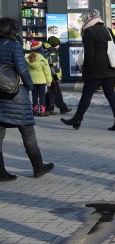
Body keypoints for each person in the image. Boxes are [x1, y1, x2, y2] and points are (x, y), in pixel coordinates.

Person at [0, 17, 54, 181]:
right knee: (27, 130)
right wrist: (30, 86)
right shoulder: (14, 45)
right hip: (15, 95)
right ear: (12, 30)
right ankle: (38, 167)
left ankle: (1, 172)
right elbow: (22, 69)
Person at [60, 9, 115, 131]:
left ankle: (77, 120)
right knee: (111, 95)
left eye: (83, 19)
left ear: (88, 18)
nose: (83, 21)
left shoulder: (89, 32)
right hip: (110, 69)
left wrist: (85, 70)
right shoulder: (107, 30)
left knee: (86, 95)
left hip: (95, 71)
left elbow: (90, 55)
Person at [43, 36, 72, 116]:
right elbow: (53, 67)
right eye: (58, 44)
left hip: (51, 77)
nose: (59, 46)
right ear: (55, 45)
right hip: (52, 78)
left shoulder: (48, 52)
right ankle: (51, 109)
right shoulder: (52, 53)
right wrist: (56, 77)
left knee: (55, 93)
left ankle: (62, 108)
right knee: (53, 94)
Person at [25, 40, 52, 117]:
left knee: (34, 96)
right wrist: (49, 81)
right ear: (40, 50)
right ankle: (42, 111)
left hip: (33, 81)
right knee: (42, 96)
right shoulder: (42, 59)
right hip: (41, 81)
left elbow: (26, 70)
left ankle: (35, 111)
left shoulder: (28, 59)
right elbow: (47, 71)